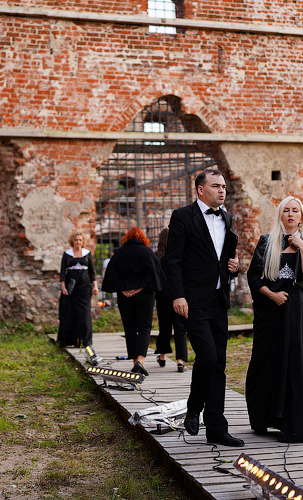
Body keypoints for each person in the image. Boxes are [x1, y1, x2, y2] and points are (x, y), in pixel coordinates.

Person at [164, 169, 242, 447]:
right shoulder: (183, 216)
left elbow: (222, 259)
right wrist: (178, 295)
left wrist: (233, 267)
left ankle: (217, 428)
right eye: (216, 186)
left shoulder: (227, 217)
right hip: (193, 302)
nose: (222, 191)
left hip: (219, 300)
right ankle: (194, 407)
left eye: (224, 186)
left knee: (218, 364)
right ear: (200, 190)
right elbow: (172, 260)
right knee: (207, 358)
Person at [245, 196, 303, 444]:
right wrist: (272, 295)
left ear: (301, 216)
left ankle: (294, 422)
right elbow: (253, 276)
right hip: (270, 311)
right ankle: (263, 418)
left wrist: (301, 247)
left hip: (297, 312)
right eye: (286, 210)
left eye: (295, 211)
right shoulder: (266, 242)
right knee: (266, 360)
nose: (290, 214)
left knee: (296, 362)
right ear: (280, 214)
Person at [102, 227, 166, 375]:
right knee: (144, 328)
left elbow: (111, 275)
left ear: (127, 238)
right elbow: (156, 276)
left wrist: (123, 289)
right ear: (142, 237)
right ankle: (140, 361)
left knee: (130, 329)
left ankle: (134, 361)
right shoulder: (147, 252)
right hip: (144, 295)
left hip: (124, 296)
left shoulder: (119, 253)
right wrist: (139, 288)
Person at [56, 231, 99, 348]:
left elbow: (92, 272)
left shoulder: (87, 253)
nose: (78, 242)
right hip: (71, 287)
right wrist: (63, 287)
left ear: (83, 241)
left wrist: (95, 286)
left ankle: (85, 341)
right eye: (76, 240)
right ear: (72, 241)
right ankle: (70, 340)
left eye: (80, 240)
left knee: (84, 313)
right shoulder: (67, 254)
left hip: (84, 287)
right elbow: (63, 273)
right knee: (70, 312)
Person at [154, 228, 188, 373]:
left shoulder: (157, 257)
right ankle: (180, 361)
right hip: (178, 294)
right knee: (180, 328)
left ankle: (162, 356)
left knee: (164, 327)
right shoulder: (179, 255)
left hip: (162, 296)